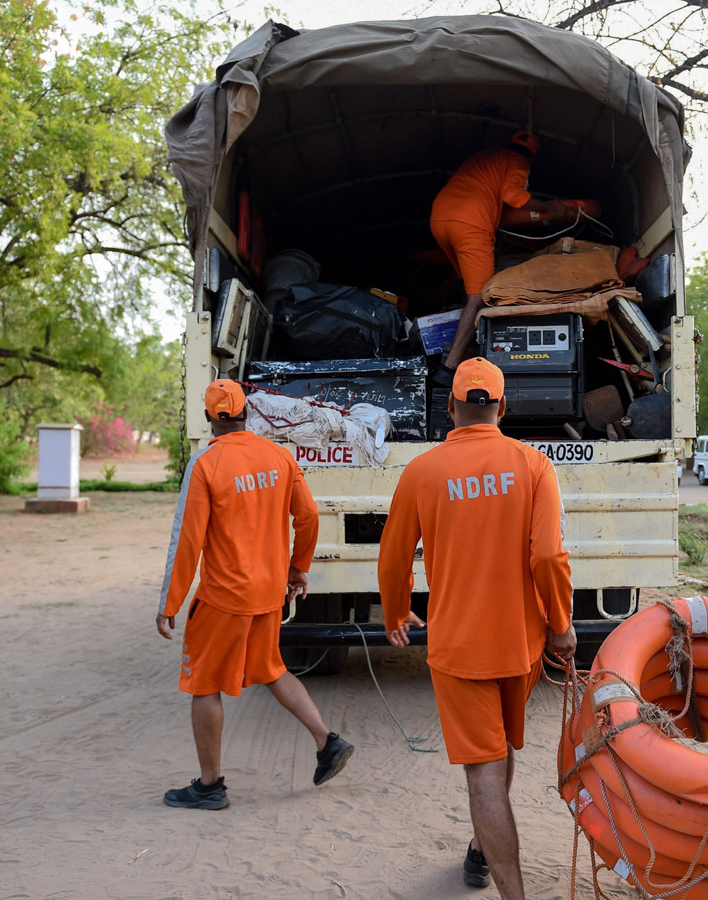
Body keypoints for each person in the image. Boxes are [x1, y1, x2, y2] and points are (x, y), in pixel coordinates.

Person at [377, 357, 576, 899]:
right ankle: (480, 847)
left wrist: (396, 611)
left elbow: (394, 558)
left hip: (459, 648)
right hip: (521, 644)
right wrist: (560, 623)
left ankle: (513, 893)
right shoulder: (533, 465)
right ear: (502, 407)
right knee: (500, 750)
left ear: (451, 407)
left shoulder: (423, 470)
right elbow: (549, 559)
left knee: (483, 771)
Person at [156, 379, 353, 810]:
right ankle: (327, 743)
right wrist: (297, 568)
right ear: (247, 411)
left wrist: (169, 604)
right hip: (268, 592)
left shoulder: (206, 463)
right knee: (272, 669)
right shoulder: (279, 456)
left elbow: (186, 540)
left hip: (225, 596)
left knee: (204, 685)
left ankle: (209, 787)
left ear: (210, 419)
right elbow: (309, 515)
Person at [430, 132, 569, 383]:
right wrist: (551, 209)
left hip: (440, 219)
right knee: (479, 297)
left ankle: (457, 332)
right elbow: (514, 196)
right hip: (471, 225)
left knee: (465, 283)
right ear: (532, 155)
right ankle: (448, 369)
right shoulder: (518, 162)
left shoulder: (484, 157)